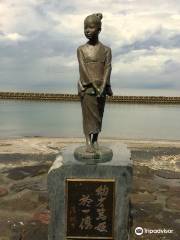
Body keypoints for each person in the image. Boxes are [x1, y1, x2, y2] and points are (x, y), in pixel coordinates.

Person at [77, 13, 113, 153]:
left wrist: (103, 86)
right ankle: (87, 141)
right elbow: (83, 68)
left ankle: (95, 139)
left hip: (102, 88)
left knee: (99, 114)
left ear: (99, 29)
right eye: (85, 27)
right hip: (87, 87)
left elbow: (108, 67)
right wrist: (93, 84)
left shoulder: (106, 50)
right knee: (87, 116)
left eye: (91, 27)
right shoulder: (81, 50)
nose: (87, 30)